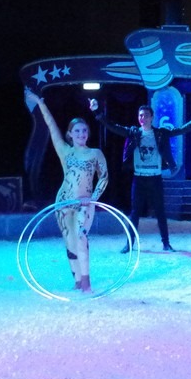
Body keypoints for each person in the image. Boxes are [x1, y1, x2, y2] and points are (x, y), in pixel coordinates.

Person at [90, 99, 191, 252]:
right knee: (135, 212)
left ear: (152, 117)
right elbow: (112, 126)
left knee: (160, 212)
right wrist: (97, 111)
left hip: (155, 178)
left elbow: (181, 130)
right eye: (140, 115)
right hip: (139, 178)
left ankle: (166, 243)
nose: (143, 118)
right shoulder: (134, 132)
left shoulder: (160, 133)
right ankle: (129, 244)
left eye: (146, 115)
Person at [25, 89, 109, 294]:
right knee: (70, 241)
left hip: (85, 202)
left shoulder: (95, 153)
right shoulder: (65, 151)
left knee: (81, 237)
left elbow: (104, 178)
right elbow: (50, 125)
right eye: (77, 131)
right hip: (63, 201)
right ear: (70, 134)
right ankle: (77, 281)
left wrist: (92, 199)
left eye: (84, 130)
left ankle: (87, 283)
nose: (81, 134)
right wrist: (40, 103)